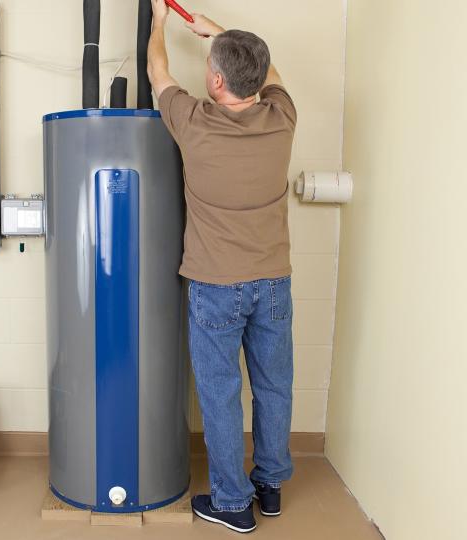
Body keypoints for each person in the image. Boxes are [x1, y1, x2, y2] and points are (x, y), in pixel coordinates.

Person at [147, 0, 297, 534]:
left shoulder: (193, 122)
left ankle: (233, 504)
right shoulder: (283, 117)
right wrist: (221, 32)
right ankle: (271, 485)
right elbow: (273, 73)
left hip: (216, 286)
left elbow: (157, 72)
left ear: (214, 80)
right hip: (274, 282)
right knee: (274, 385)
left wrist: (161, 23)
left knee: (220, 394)